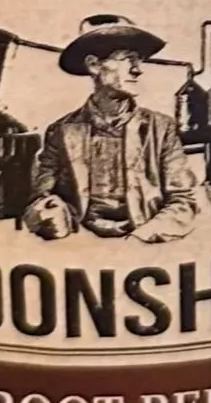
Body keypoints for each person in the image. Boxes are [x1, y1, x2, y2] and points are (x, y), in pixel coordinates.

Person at [20, 15, 199, 244]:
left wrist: (142, 236)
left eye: (140, 60)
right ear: (94, 65)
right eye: (127, 59)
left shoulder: (161, 128)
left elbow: (184, 201)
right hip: (78, 242)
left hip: (146, 241)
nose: (137, 70)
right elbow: (39, 198)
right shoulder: (61, 131)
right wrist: (50, 214)